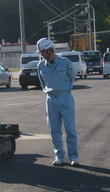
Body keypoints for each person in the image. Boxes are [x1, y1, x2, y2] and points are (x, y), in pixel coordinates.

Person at [36, 37, 79, 167]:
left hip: (65, 97)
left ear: (49, 50)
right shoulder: (40, 66)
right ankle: (59, 155)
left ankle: (74, 157)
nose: (41, 54)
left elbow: (72, 78)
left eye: (42, 51)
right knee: (54, 130)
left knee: (70, 129)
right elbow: (42, 82)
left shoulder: (65, 62)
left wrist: (63, 90)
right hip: (51, 100)